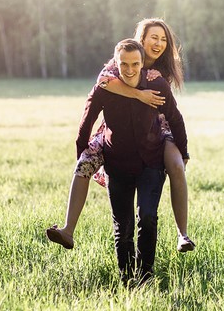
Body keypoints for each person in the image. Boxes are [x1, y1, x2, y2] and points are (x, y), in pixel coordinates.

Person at [46, 18, 195, 252]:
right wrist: (139, 95)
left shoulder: (161, 72)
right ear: (142, 39)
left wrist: (183, 149)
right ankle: (68, 229)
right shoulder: (125, 58)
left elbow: (173, 115)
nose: (159, 43)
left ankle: (183, 235)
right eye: (154, 37)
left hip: (157, 128)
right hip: (118, 127)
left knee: (177, 165)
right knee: (85, 163)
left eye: (164, 39)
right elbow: (103, 82)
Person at [72, 39, 188, 285]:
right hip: (118, 164)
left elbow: (175, 118)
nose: (129, 69)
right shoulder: (105, 87)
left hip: (151, 162)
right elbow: (86, 122)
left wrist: (183, 152)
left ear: (141, 62)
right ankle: (127, 279)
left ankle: (145, 276)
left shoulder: (156, 84)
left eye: (135, 63)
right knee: (122, 227)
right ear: (116, 62)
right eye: (123, 64)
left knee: (147, 217)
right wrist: (83, 154)